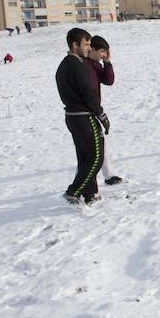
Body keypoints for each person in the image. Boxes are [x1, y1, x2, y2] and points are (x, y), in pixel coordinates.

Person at [56, 27, 109, 205]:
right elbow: (89, 94)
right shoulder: (77, 66)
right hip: (83, 116)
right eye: (86, 44)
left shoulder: (64, 64)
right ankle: (73, 191)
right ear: (74, 44)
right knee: (96, 157)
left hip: (72, 116)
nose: (88, 47)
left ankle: (91, 193)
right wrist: (101, 115)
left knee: (85, 157)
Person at [84, 35, 122, 185]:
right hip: (86, 111)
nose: (103, 55)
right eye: (101, 52)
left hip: (93, 109)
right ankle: (84, 183)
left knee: (98, 144)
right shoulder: (83, 64)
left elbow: (109, 80)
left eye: (105, 53)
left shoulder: (95, 63)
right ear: (92, 49)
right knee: (90, 149)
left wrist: (107, 63)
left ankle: (108, 175)